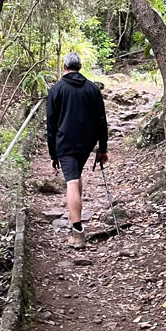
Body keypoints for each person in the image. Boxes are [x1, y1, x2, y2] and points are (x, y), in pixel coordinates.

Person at [46, 52, 108, 247]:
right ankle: (76, 218)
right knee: (76, 176)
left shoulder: (56, 89)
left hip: (65, 143)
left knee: (71, 181)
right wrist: (102, 148)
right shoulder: (92, 89)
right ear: (80, 67)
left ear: (65, 67)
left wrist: (52, 153)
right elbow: (101, 121)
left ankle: (77, 231)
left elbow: (51, 124)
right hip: (86, 142)